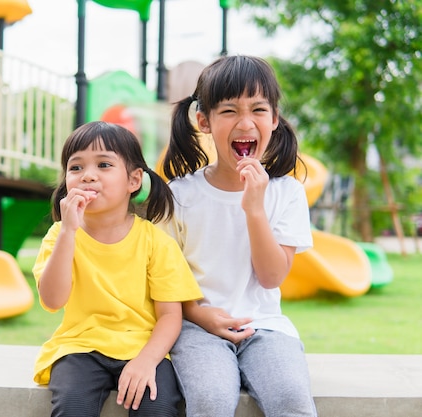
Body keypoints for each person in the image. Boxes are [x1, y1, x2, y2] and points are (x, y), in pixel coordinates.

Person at [159, 55, 318, 417]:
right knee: (211, 400)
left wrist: (254, 208)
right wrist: (200, 316)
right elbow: (164, 283)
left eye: (258, 110)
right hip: (196, 326)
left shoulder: (287, 193)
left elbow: (272, 276)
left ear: (274, 120)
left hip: (265, 326)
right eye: (229, 111)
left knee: (293, 399)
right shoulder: (179, 195)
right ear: (204, 121)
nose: (245, 123)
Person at [33, 121, 203, 417]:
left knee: (160, 408)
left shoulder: (155, 242)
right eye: (76, 168)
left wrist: (147, 360)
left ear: (134, 180)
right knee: (72, 408)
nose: (88, 176)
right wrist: (68, 233)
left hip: (144, 346)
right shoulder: (60, 236)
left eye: (103, 165)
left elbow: (170, 316)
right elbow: (52, 299)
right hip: (79, 347)